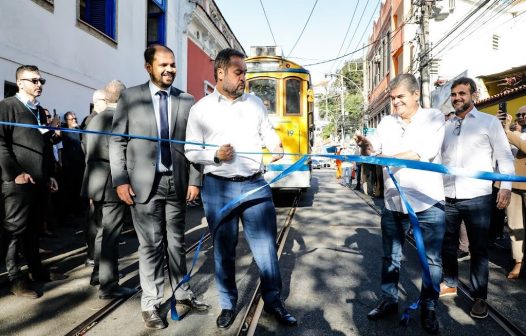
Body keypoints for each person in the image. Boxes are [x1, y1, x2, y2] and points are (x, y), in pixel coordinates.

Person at [185, 48, 297, 329]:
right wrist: (214, 157)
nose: (244, 78)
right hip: (218, 188)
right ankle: (227, 304)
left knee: (266, 250)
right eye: (239, 72)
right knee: (223, 251)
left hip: (255, 186)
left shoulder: (255, 103)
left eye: (245, 72)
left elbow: (267, 132)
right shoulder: (200, 109)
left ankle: (274, 302)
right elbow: (190, 150)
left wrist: (275, 145)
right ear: (221, 73)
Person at [109, 44, 209, 330]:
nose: (169, 70)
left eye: (173, 65)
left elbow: (194, 145)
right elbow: (117, 141)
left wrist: (194, 180)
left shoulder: (186, 100)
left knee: (177, 243)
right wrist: (120, 180)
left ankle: (183, 294)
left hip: (176, 183)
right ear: (148, 67)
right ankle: (151, 303)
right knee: (151, 245)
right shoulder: (130, 97)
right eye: (163, 65)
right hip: (142, 186)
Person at [355, 73, 445, 334]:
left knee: (432, 260)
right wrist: (365, 146)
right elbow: (373, 153)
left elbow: (421, 153)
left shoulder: (434, 118)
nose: (395, 104)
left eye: (400, 98)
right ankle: (388, 300)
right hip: (394, 202)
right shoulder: (386, 122)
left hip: (427, 202)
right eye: (393, 99)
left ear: (416, 94)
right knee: (390, 256)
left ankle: (429, 307)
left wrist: (384, 156)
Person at [440, 77, 514, 319]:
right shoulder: (447, 125)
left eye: (462, 93)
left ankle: (479, 297)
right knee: (447, 245)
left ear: (473, 96)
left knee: (479, 249)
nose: (457, 98)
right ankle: (449, 281)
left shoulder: (489, 122)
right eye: (454, 94)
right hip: (449, 195)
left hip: (477, 197)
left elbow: (504, 157)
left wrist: (506, 187)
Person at [0, 65, 65, 299]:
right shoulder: (7, 107)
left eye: (41, 81)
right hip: (17, 183)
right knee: (14, 231)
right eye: (34, 80)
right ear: (20, 83)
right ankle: (15, 279)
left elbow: (42, 145)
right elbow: (1, 143)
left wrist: (49, 175)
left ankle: (37, 271)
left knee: (34, 229)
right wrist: (14, 172)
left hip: (39, 181)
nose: (39, 85)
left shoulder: (38, 112)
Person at [81, 80, 137, 299]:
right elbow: (123, 153)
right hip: (111, 183)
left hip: (94, 182)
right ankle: (109, 285)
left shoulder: (94, 119)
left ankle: (98, 273)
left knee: (101, 231)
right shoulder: (118, 119)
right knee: (111, 234)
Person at [83, 89, 108, 268]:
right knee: (96, 220)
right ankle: (92, 256)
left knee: (97, 219)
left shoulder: (95, 120)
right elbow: (89, 151)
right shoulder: (93, 120)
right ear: (99, 101)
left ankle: (93, 255)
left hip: (95, 177)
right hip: (96, 177)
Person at [501, 109, 526, 279]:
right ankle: (518, 261)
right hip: (514, 183)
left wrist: (508, 132)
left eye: (525, 114)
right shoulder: (511, 133)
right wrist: (500, 128)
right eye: (519, 115)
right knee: (515, 225)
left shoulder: (511, 133)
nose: (521, 117)